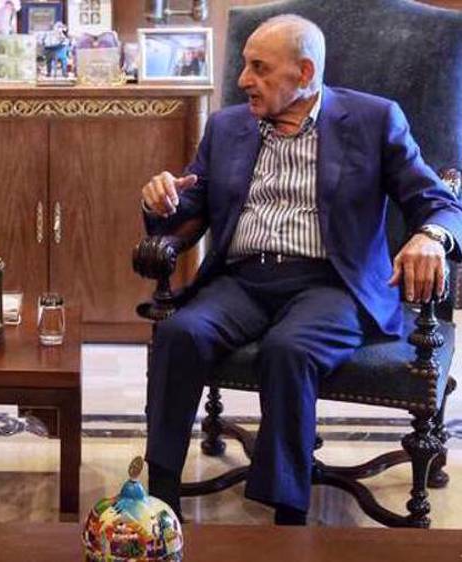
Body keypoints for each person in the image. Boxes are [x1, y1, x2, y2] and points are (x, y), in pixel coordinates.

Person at [140, 14, 462, 526]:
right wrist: (161, 201)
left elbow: (439, 201)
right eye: (245, 65)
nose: (243, 79)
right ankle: (158, 497)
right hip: (243, 280)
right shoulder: (227, 126)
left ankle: (286, 516)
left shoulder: (375, 119)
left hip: (333, 283)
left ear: (305, 71)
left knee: (289, 350)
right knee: (180, 334)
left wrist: (430, 236)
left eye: (259, 68)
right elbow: (189, 206)